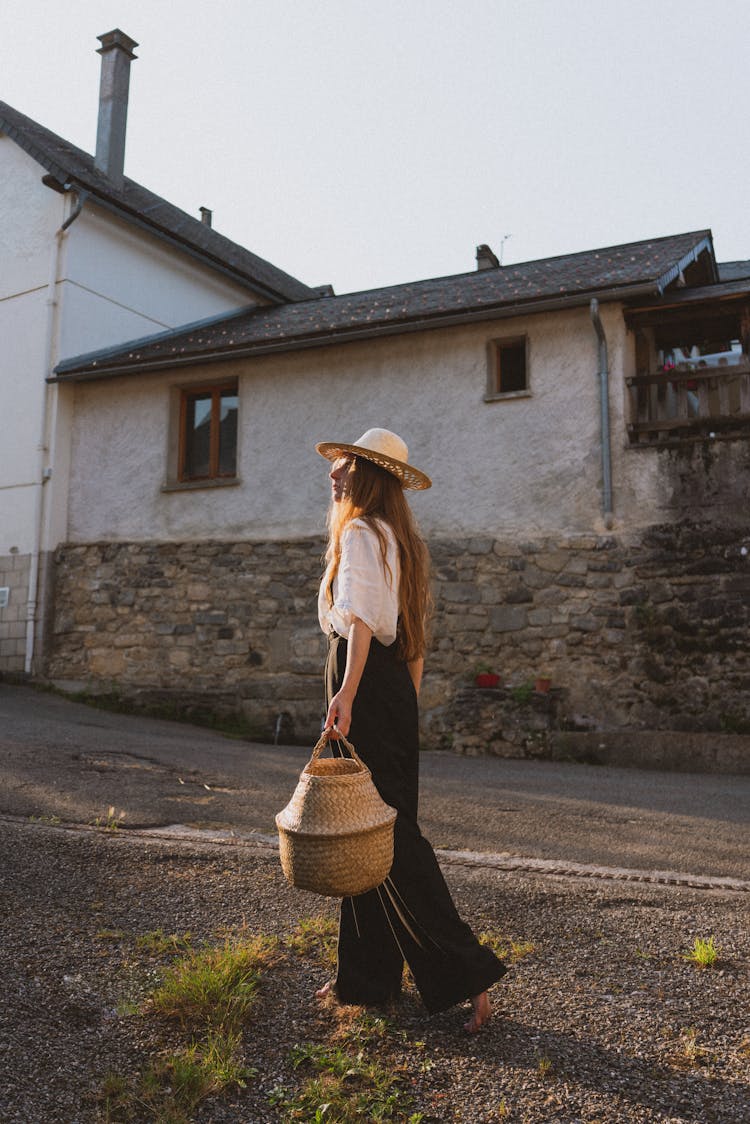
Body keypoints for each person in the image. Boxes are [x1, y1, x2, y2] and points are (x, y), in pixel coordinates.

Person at [314, 427, 506, 1032]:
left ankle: (468, 973)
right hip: (390, 690)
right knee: (364, 835)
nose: (333, 472)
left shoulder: (362, 532)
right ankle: (366, 979)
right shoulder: (401, 540)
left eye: (343, 463)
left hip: (366, 684)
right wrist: (403, 704)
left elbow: (362, 625)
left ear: (364, 473)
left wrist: (348, 694)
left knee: (389, 838)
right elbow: (413, 639)